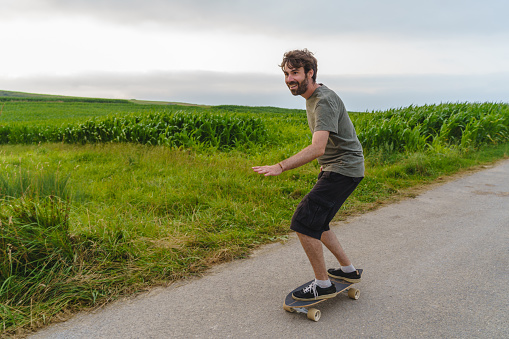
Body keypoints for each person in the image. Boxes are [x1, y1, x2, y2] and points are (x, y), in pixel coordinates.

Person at [252, 49, 364, 301]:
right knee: (318, 222)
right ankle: (349, 271)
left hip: (344, 169)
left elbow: (318, 147)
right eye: (286, 74)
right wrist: (327, 162)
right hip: (341, 167)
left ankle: (322, 284)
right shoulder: (313, 96)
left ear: (310, 73)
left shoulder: (323, 100)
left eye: (295, 73)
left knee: (304, 222)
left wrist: (280, 166)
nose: (289, 79)